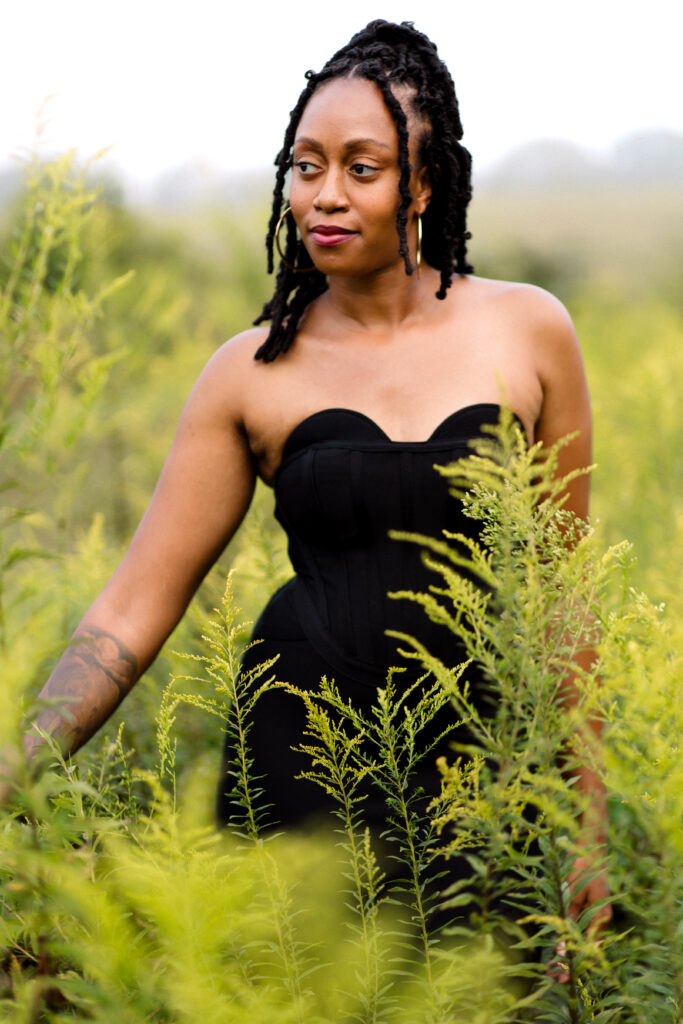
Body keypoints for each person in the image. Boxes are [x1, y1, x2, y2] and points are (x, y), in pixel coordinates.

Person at [1, 20, 609, 961]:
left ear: (421, 181)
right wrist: (20, 765)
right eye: (304, 165)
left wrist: (587, 824)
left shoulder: (529, 332)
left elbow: (566, 605)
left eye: (360, 168)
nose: (323, 195)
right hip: (298, 771)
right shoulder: (251, 371)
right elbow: (132, 606)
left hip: (485, 783)